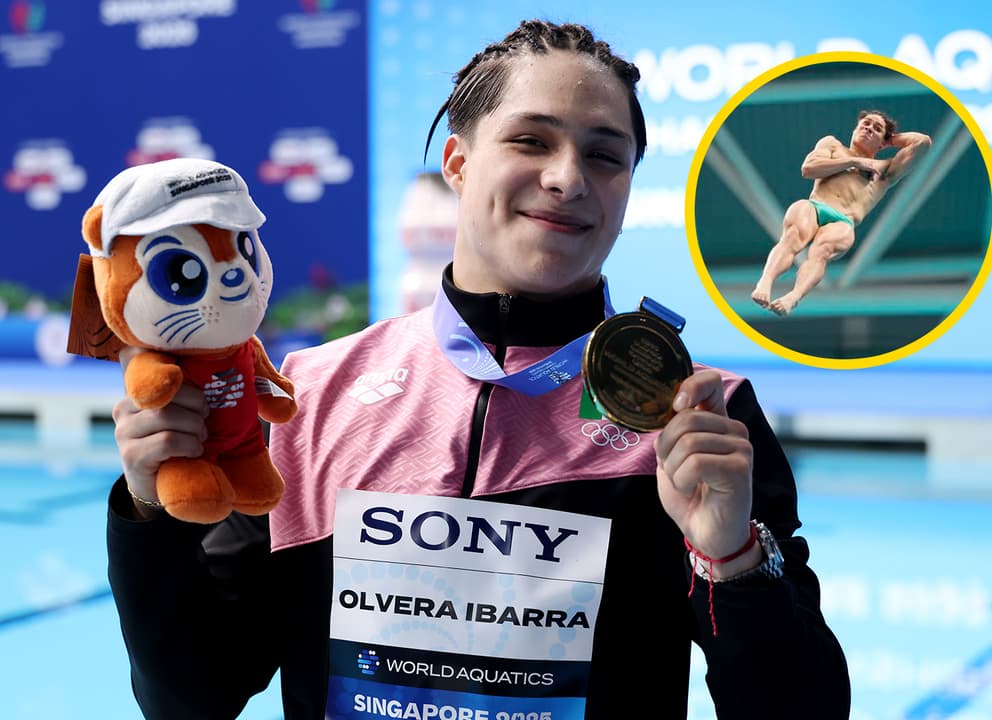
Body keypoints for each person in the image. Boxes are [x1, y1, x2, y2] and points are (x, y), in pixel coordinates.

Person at [106, 19, 850, 719]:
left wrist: (732, 559)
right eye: (531, 140)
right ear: (458, 163)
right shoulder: (307, 401)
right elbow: (193, 697)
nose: (568, 178)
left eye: (604, 155)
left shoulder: (700, 416)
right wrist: (148, 508)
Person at [751, 110, 932, 316]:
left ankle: (793, 297)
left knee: (821, 253)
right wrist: (852, 162)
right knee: (792, 237)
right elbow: (808, 169)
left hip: (843, 220)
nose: (869, 128)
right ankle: (765, 282)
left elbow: (923, 142)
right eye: (866, 123)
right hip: (815, 206)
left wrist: (890, 139)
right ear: (855, 129)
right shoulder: (832, 145)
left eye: (877, 128)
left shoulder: (885, 170)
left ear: (883, 143)